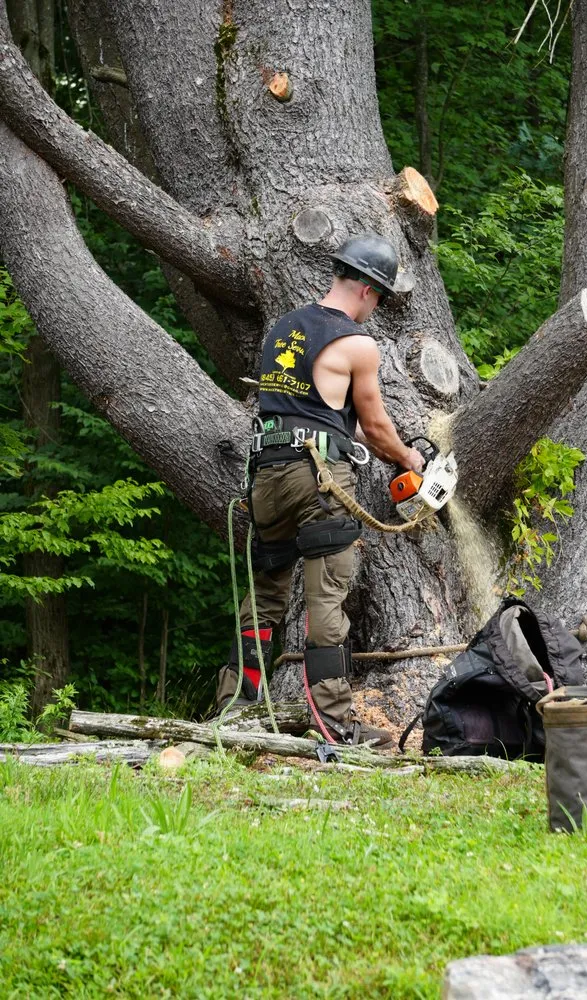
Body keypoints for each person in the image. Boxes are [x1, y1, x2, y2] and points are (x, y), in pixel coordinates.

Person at [215, 233, 424, 747]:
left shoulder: (281, 330)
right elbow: (374, 430)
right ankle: (333, 723)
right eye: (378, 299)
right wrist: (408, 457)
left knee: (264, 595)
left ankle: (234, 709)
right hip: (318, 478)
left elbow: (318, 412)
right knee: (327, 594)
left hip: (266, 475)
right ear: (370, 291)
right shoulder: (356, 343)